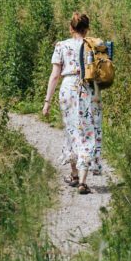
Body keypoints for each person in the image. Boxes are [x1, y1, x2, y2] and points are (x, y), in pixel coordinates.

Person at [39, 10, 103, 194]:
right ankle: (81, 180)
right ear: (87, 28)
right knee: (88, 132)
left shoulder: (61, 46)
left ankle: (74, 174)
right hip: (89, 89)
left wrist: (47, 101)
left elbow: (54, 75)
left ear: (70, 27)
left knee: (71, 129)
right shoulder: (95, 45)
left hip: (68, 88)